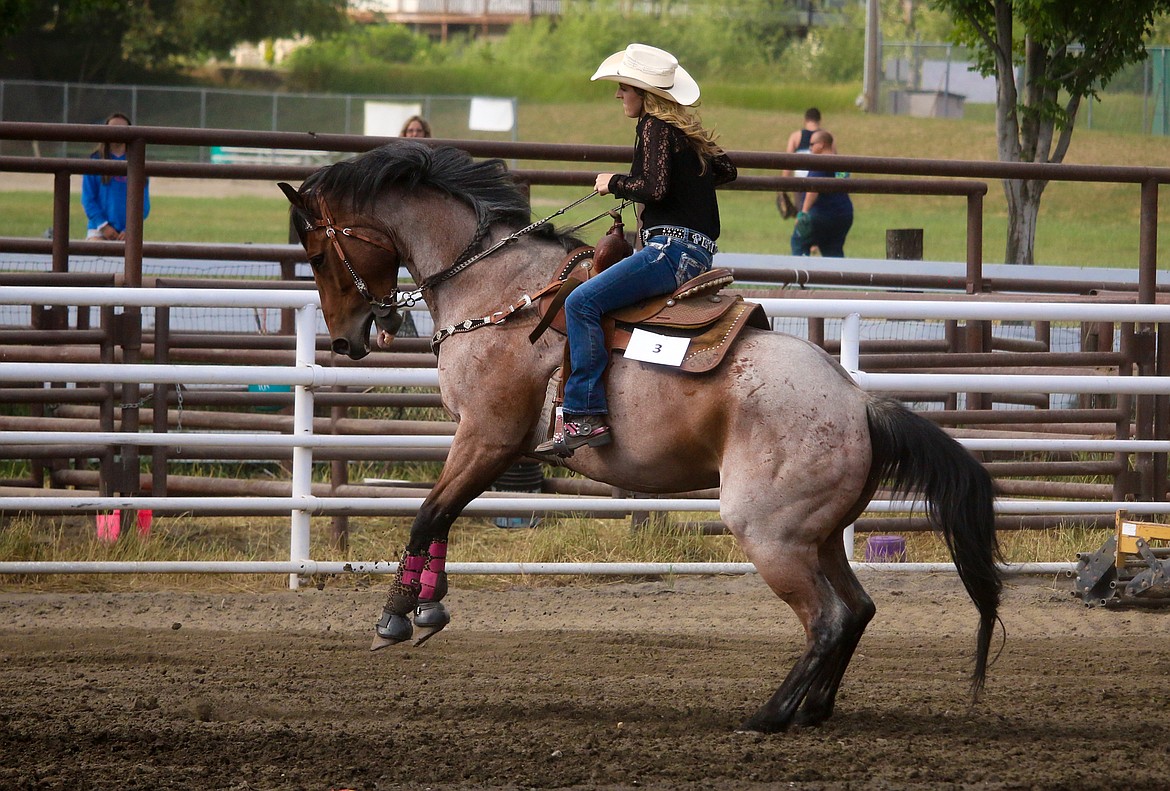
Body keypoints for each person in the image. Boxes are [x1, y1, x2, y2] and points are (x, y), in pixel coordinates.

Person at [535, 43, 737, 457]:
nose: (618, 95)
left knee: (581, 302)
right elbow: (727, 170)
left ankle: (584, 413)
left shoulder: (654, 128)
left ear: (644, 94)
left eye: (624, 88)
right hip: (695, 252)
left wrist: (614, 182)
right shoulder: (681, 134)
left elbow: (654, 188)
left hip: (669, 250)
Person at [82, 112, 150, 241]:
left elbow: (144, 203)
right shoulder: (95, 160)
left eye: (122, 129)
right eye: (112, 128)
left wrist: (129, 228)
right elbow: (88, 199)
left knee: (132, 258)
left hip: (129, 229)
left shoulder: (138, 160)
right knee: (97, 254)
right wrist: (103, 226)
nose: (117, 132)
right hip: (98, 228)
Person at [791, 129, 853, 258]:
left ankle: (800, 275)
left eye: (812, 144)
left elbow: (814, 188)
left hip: (821, 214)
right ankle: (837, 277)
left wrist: (803, 213)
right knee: (833, 251)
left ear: (821, 144)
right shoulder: (841, 163)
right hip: (843, 215)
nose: (810, 148)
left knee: (798, 242)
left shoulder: (820, 161)